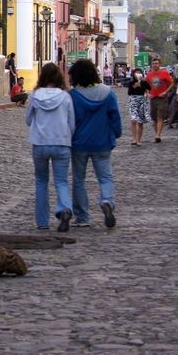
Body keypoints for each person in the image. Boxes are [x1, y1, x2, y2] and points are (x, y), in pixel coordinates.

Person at [68, 59, 122, 229]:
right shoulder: (108, 93)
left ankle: (82, 217)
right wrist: (116, 133)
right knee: (105, 177)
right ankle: (107, 201)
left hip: (79, 143)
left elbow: (69, 119)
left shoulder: (73, 95)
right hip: (102, 142)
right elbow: (115, 117)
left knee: (79, 180)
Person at [25, 63, 75, 231]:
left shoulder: (35, 96)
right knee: (61, 180)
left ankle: (42, 222)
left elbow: (28, 120)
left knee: (41, 182)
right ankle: (65, 208)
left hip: (40, 143)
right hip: (61, 143)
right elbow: (72, 123)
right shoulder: (65, 97)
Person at [146, 56, 175, 143]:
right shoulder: (149, 74)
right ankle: (157, 134)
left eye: (156, 63)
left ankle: (158, 135)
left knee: (160, 116)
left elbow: (172, 83)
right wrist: (147, 93)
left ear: (159, 64)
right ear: (151, 65)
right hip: (153, 98)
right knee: (154, 117)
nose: (155, 65)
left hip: (162, 98)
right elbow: (146, 85)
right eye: (153, 64)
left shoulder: (164, 73)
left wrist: (165, 92)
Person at [126, 68, 151, 146]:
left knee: (140, 121)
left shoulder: (143, 82)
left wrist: (144, 81)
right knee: (133, 120)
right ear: (133, 74)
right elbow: (129, 93)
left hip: (142, 101)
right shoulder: (131, 82)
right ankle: (135, 139)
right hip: (133, 101)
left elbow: (149, 88)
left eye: (139, 72)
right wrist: (134, 86)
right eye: (136, 73)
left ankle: (138, 140)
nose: (138, 74)